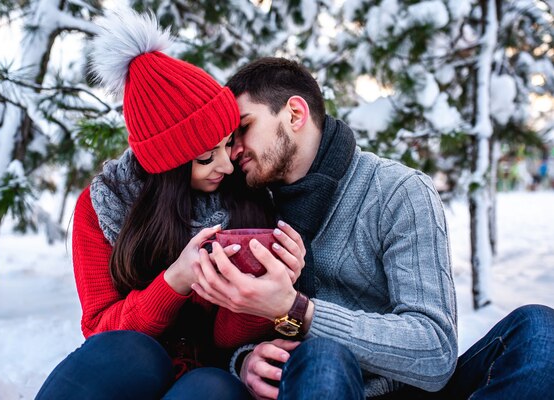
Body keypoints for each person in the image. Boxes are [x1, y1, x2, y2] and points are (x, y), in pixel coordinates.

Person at [191, 57, 554, 399]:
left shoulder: (398, 192)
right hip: (316, 383)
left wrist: (299, 310)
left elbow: (435, 350)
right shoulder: (251, 205)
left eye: (243, 128)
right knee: (322, 358)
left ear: (295, 114)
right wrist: (245, 362)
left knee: (539, 331)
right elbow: (230, 329)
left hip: (413, 390)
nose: (233, 150)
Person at [35, 12, 306, 400]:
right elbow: (99, 331)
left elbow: (228, 341)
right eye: (205, 157)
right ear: (168, 166)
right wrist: (174, 281)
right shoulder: (105, 205)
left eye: (228, 143)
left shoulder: (247, 195)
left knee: (210, 386)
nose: (228, 165)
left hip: (216, 374)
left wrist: (258, 283)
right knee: (131, 351)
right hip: (126, 370)